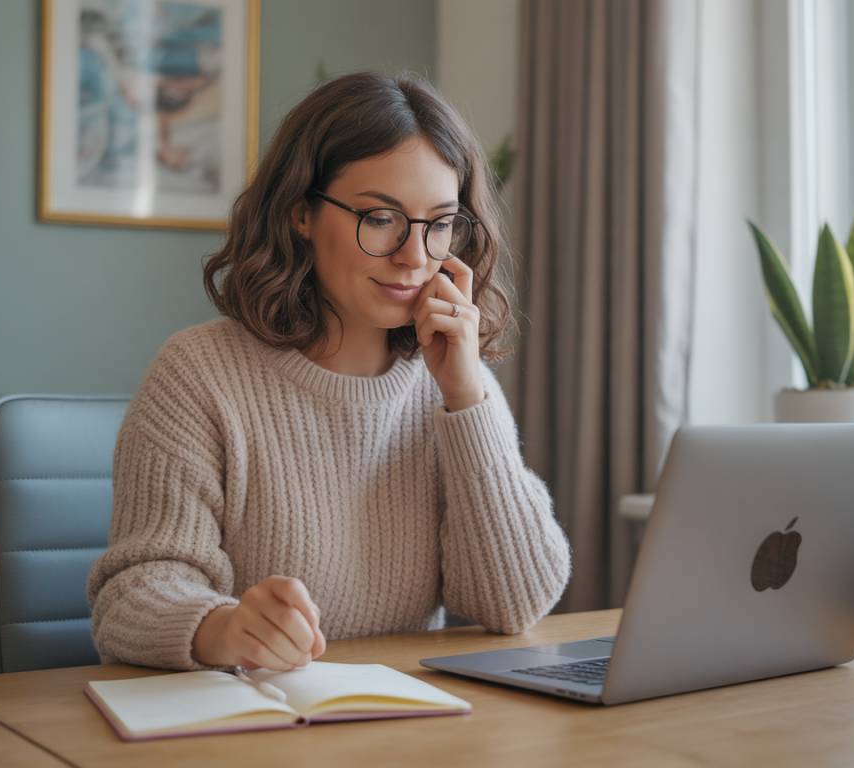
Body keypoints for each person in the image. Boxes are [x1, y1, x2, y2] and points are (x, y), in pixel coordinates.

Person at [85, 71, 572, 673]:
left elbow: (513, 603)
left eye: (440, 223)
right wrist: (223, 628)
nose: (415, 257)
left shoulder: (453, 385)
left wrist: (466, 399)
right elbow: (130, 597)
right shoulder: (197, 376)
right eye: (380, 218)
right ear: (301, 214)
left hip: (412, 728)